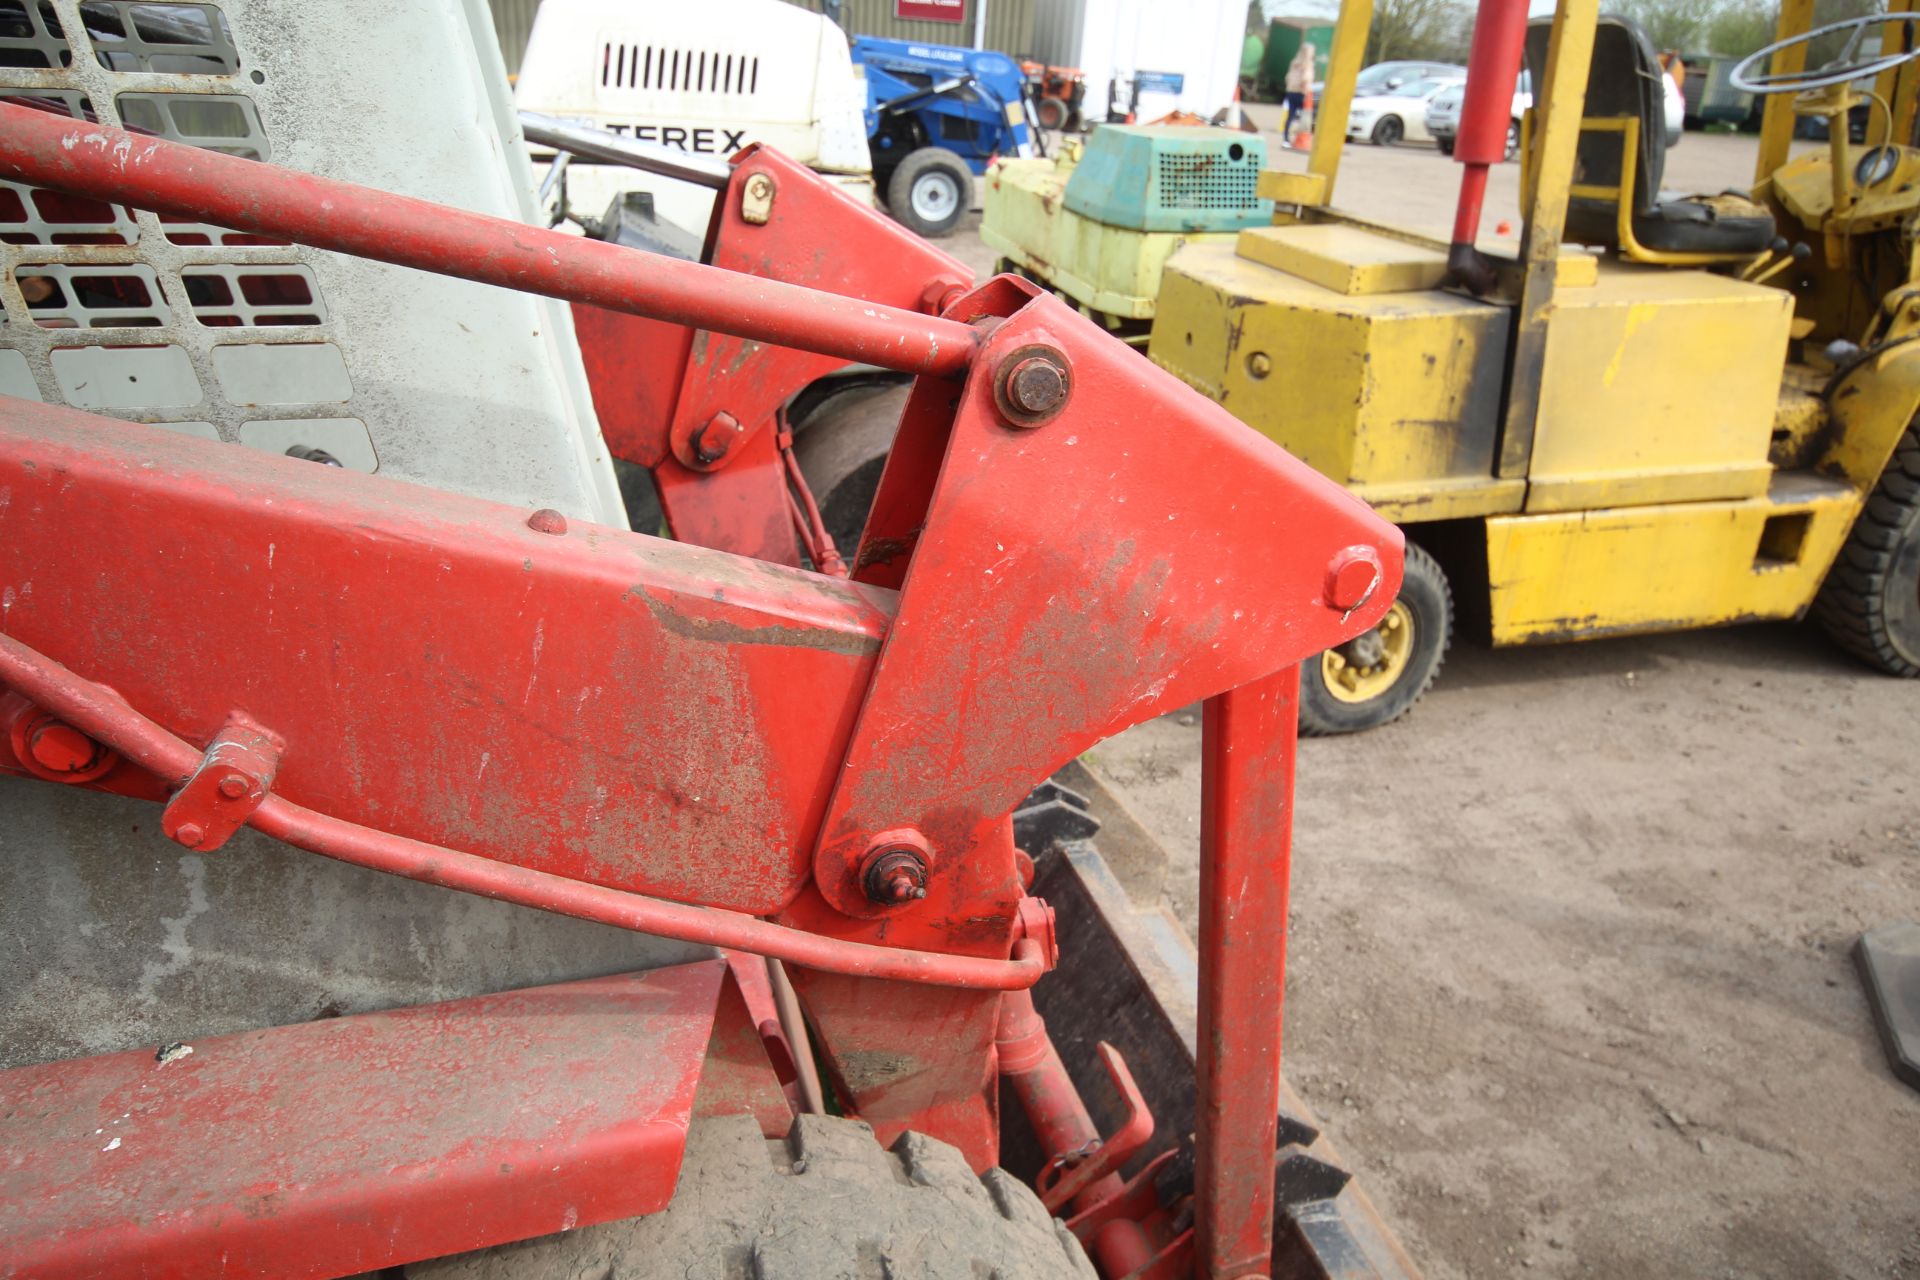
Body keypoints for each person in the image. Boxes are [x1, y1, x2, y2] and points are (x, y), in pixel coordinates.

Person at [1283, 42, 1316, 140]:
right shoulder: (1308, 64)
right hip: (1301, 92)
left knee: (1291, 116)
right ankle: (1300, 138)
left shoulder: (1294, 62)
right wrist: (1306, 91)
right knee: (1305, 116)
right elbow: (1305, 79)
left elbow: (1288, 77)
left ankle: (1286, 138)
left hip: (1290, 91)